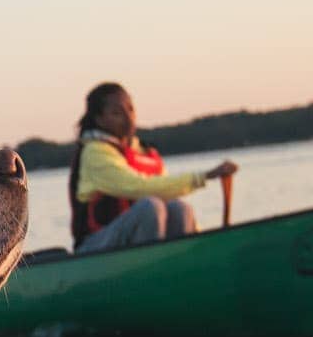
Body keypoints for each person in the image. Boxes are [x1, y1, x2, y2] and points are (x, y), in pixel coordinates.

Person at [67, 81, 236, 252]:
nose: (128, 118)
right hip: (94, 246)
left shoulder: (144, 153)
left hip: (128, 244)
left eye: (130, 109)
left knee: (180, 208)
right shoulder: (94, 152)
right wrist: (204, 176)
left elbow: (166, 190)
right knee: (150, 207)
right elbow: (137, 186)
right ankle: (151, 263)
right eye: (117, 113)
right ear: (100, 120)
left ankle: (186, 256)